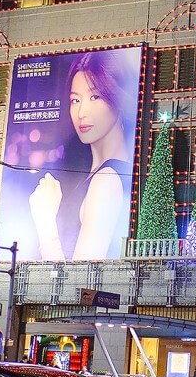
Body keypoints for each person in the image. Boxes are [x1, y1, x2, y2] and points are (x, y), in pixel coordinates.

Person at [29, 52, 137, 260]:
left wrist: (45, 222)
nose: (81, 112)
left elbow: (79, 281)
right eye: (75, 100)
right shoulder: (98, 175)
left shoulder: (106, 181)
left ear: (118, 99)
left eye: (95, 97)